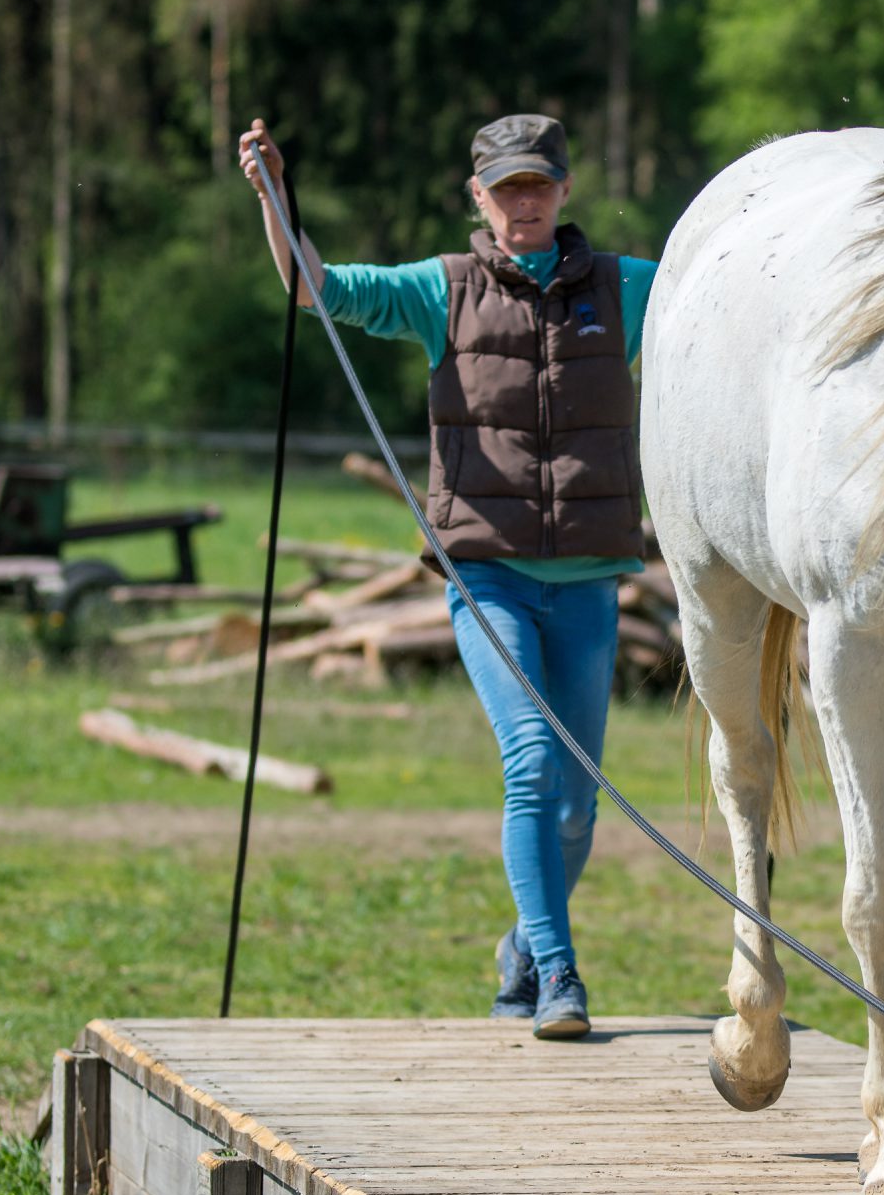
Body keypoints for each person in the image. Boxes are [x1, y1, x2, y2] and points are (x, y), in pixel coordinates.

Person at [239, 114, 656, 1040]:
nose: (525, 203)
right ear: (479, 197)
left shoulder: (628, 289)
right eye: (507, 189)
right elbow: (318, 290)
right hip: (487, 578)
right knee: (531, 763)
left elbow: (721, 299)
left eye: (538, 185)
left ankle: (520, 942)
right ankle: (557, 971)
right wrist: (275, 194)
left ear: (563, 188)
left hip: (589, 581)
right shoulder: (444, 290)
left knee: (579, 802)